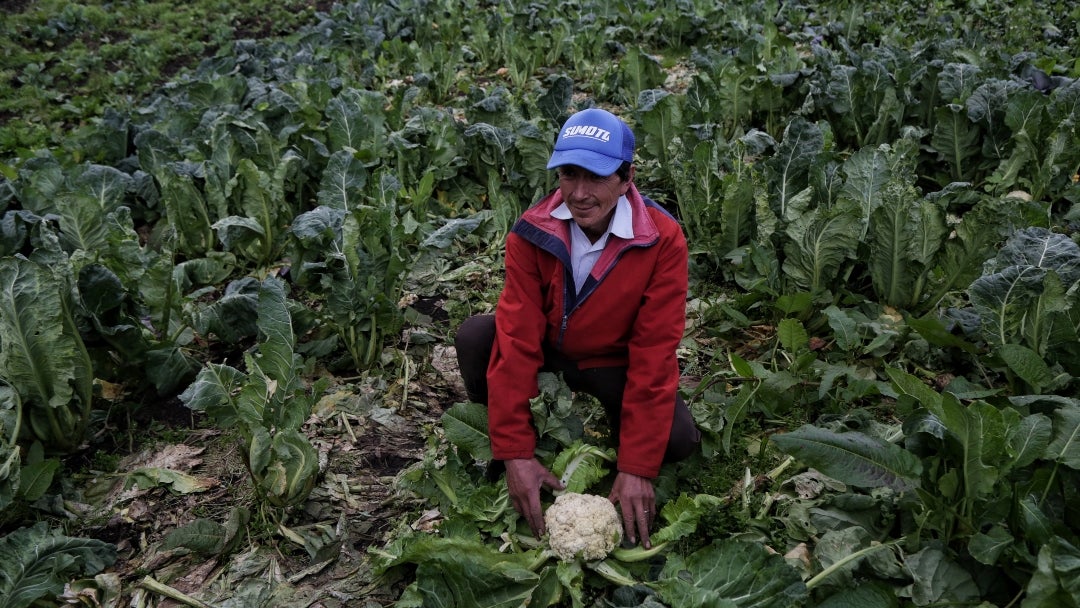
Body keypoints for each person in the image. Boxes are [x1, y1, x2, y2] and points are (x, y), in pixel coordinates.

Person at [455, 108, 701, 549]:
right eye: (569, 175)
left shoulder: (661, 240)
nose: (580, 193)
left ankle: (613, 435)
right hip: (550, 353)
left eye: (597, 177)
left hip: (612, 363)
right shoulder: (532, 232)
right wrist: (514, 452)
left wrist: (637, 467)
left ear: (627, 178)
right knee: (478, 337)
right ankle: (501, 444)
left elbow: (654, 351)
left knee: (678, 440)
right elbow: (516, 341)